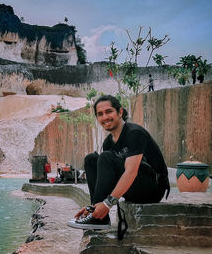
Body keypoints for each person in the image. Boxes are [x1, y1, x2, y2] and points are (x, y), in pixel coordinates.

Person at [68, 95, 170, 230]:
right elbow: (107, 178)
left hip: (152, 188)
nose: (105, 117)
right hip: (132, 189)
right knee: (91, 160)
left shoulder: (134, 133)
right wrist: (94, 207)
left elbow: (131, 171)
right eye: (100, 114)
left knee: (105, 157)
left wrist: (107, 204)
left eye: (109, 111)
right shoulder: (108, 142)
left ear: (120, 112)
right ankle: (98, 216)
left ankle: (99, 217)